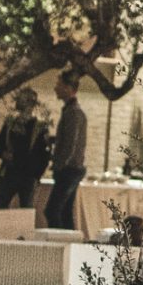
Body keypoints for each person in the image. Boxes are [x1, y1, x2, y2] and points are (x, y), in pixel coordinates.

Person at [0, 88, 51, 212]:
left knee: (26, 213)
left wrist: (36, 176)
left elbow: (44, 156)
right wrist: (3, 154)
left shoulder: (39, 128)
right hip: (9, 173)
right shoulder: (10, 123)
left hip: (28, 176)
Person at [46, 72, 88, 232]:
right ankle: (69, 245)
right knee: (64, 212)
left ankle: (58, 246)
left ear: (69, 88)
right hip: (71, 169)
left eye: (59, 84)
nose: (56, 88)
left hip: (69, 170)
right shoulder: (71, 111)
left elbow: (71, 143)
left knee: (52, 210)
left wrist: (59, 164)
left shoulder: (73, 113)